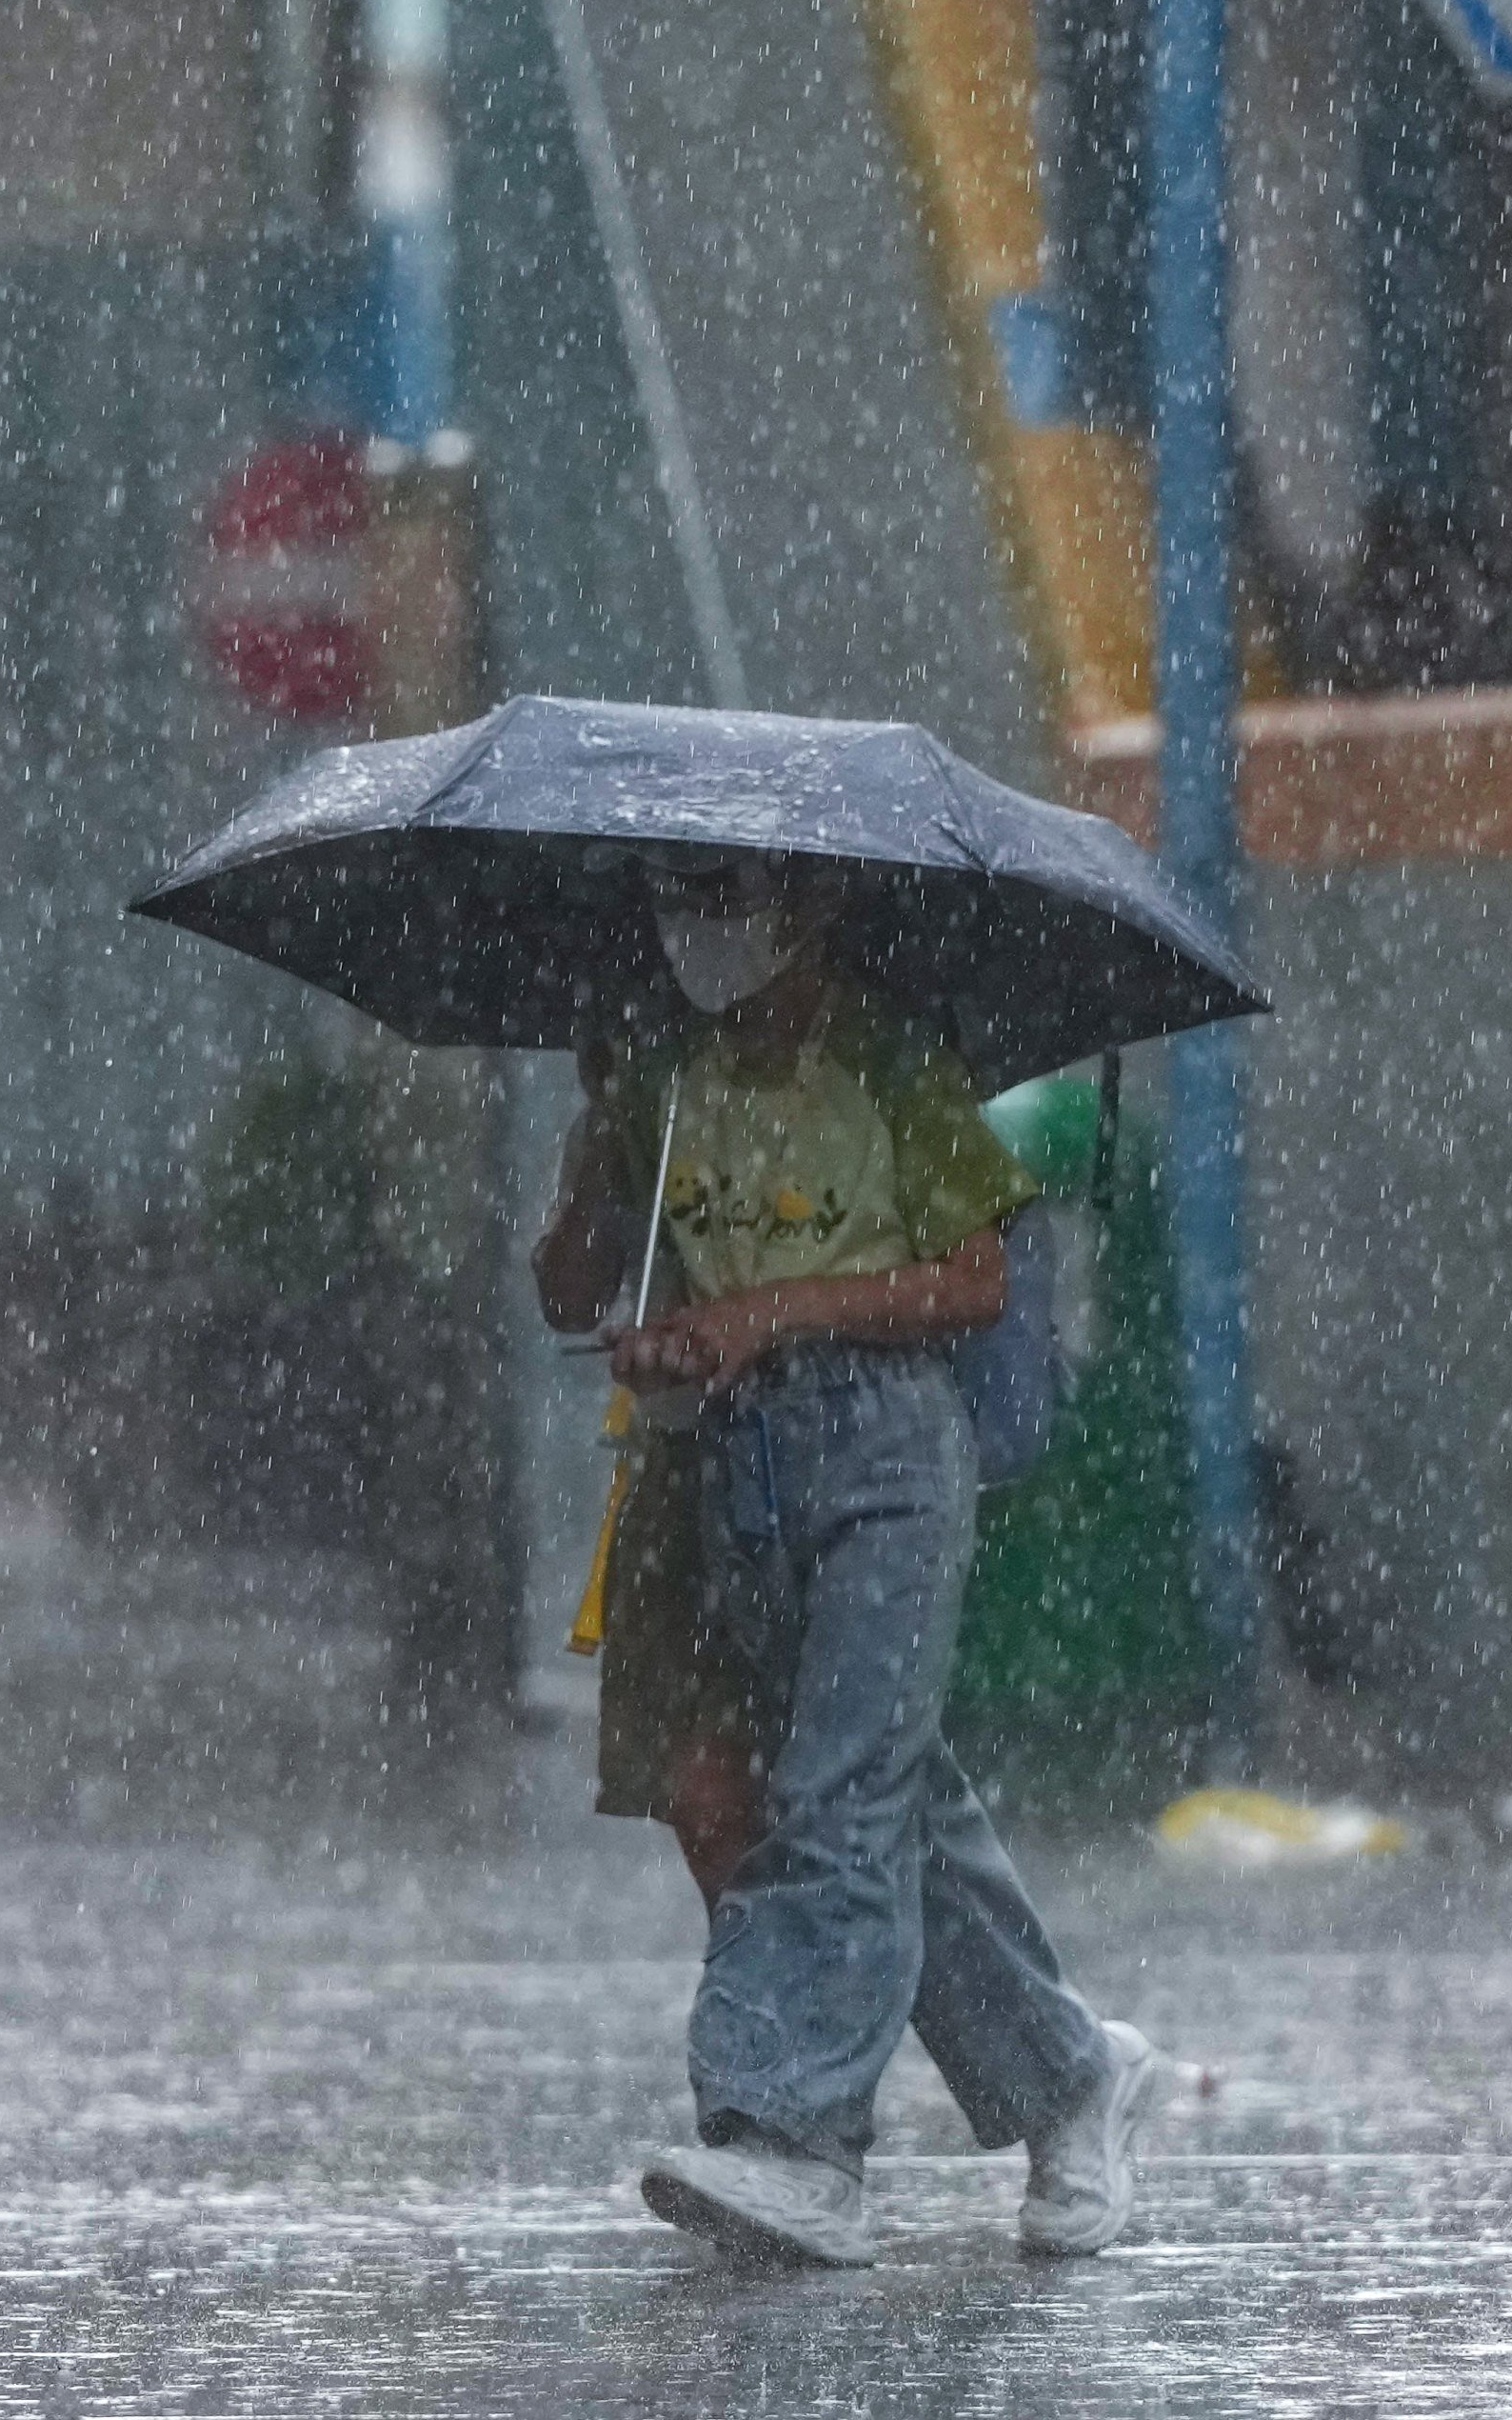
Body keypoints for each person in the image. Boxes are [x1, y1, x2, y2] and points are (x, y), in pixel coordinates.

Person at [533, 850, 1161, 2270]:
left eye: (727, 897)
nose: (701, 929)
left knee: (836, 1786)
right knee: (891, 1794)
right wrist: (597, 1161)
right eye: (680, 897)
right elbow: (571, 1285)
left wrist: (776, 1314)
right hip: (736, 1471)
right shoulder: (663, 1077)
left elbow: (976, 1280)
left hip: (886, 1456)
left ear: (806, 911)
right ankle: (1072, 2077)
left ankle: (794, 2135)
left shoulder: (889, 1063)